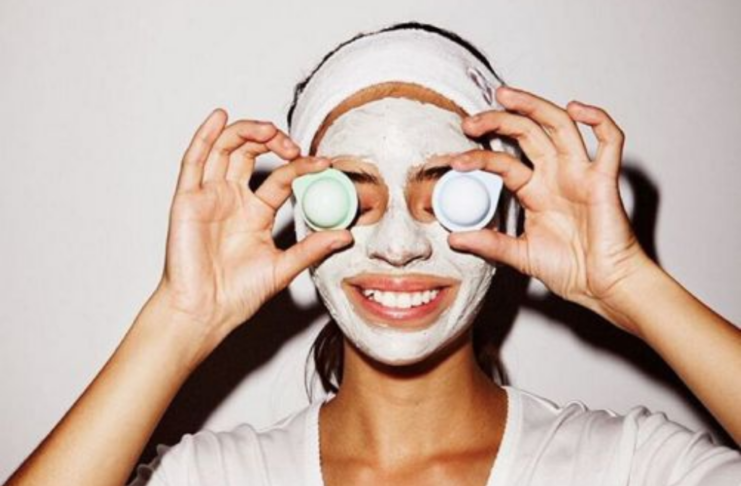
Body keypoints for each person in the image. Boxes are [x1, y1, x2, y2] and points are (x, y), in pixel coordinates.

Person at [6, 22, 741, 486]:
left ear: (502, 205)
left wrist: (628, 283)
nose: (397, 246)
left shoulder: (630, 468)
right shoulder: (213, 476)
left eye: (445, 193)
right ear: (301, 213)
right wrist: (179, 320)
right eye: (348, 196)